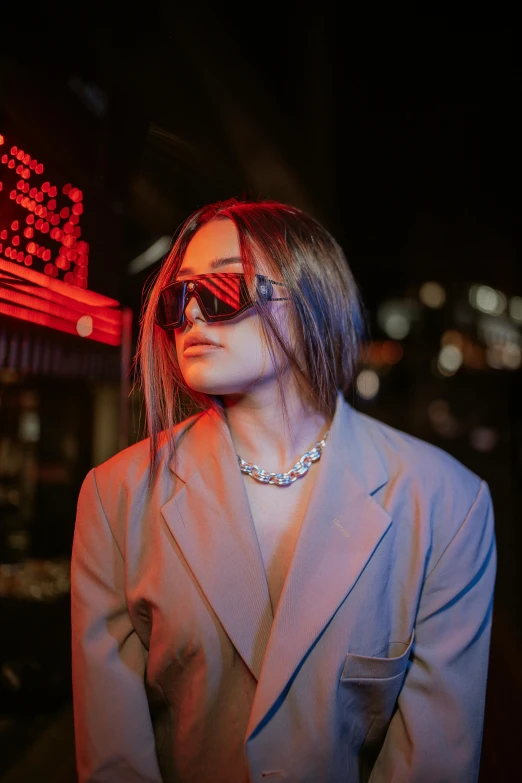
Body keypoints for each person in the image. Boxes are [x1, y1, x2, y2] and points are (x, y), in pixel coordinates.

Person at [71, 198, 496, 783]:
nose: (191, 313)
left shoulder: (447, 503)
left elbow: (435, 761)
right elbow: (113, 757)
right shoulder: (116, 496)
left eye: (223, 287)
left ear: (312, 297)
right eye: (178, 295)